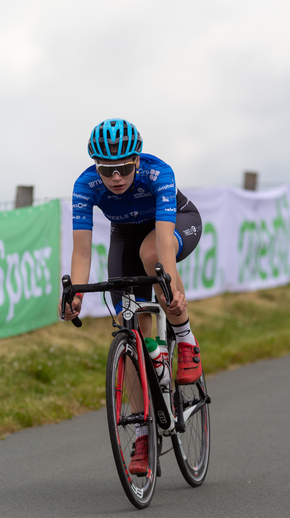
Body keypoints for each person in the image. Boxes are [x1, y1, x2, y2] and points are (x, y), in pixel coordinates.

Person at [60, 118, 203, 474]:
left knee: (152, 258)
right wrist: (74, 294)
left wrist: (169, 286)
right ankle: (142, 432)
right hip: (124, 234)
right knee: (132, 324)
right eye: (107, 170)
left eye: (124, 168)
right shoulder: (85, 185)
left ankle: (185, 341)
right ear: (96, 166)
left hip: (171, 224)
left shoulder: (159, 174)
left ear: (137, 161)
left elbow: (163, 247)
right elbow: (81, 252)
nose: (116, 177)